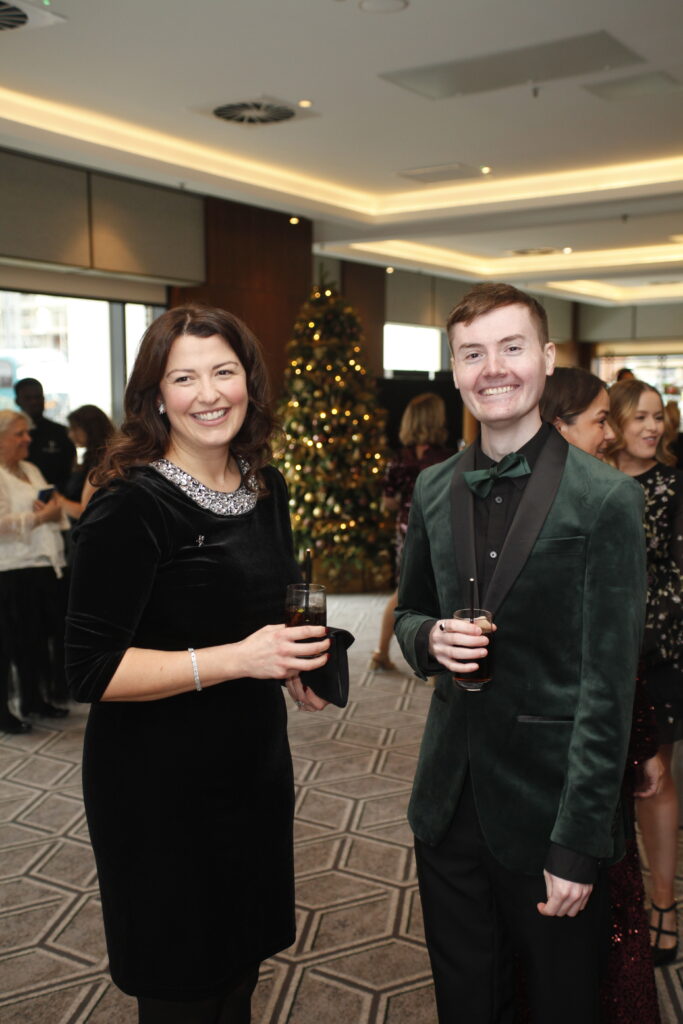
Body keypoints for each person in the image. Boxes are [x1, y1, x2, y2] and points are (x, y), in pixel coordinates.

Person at [65, 305, 331, 1024]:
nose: (208, 394)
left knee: (238, 972)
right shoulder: (130, 504)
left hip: (251, 768)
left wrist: (292, 659)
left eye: (223, 372)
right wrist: (239, 657)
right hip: (158, 787)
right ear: (156, 395)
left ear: (250, 382)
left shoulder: (263, 485)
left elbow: (270, 595)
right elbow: (89, 670)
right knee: (183, 987)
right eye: (184, 378)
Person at [394, 282, 647, 1024]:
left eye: (511, 347)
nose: (493, 368)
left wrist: (578, 844)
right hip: (447, 806)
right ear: (454, 369)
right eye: (472, 354)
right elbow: (408, 613)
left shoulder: (605, 499)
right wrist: (428, 639)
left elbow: (609, 690)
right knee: (467, 1005)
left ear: (545, 356)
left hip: (551, 811)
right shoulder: (433, 487)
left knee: (561, 1006)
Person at [541, 366, 662, 1024]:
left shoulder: (608, 494)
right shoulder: (597, 500)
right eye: (599, 421)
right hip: (570, 741)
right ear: (558, 427)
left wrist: (642, 741)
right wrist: (641, 744)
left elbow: (620, 652)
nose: (611, 433)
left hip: (599, 737)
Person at [606, 379, 683, 968]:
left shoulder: (675, 486)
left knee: (656, 779)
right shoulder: (590, 477)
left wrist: (637, 635)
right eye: (640, 417)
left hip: (658, 651)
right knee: (603, 778)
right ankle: (614, 899)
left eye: (659, 417)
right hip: (594, 650)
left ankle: (663, 903)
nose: (653, 427)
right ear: (614, 422)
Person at [371, 392, 452, 671]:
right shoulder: (447, 459)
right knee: (438, 591)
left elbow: (388, 501)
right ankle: (438, 663)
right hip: (439, 529)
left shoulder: (399, 459)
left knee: (403, 592)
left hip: (406, 529)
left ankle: (381, 652)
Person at [0, 410, 70, 733]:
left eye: (26, 433)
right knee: (9, 644)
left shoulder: (31, 468)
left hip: (43, 563)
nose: (28, 439)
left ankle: (34, 699)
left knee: (38, 639)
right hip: (11, 569)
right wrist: (41, 517)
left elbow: (55, 509)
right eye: (19, 434)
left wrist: (52, 510)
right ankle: (4, 712)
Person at [14, 378, 76, 491]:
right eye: (28, 398)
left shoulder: (61, 432)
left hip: (55, 495)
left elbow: (69, 471)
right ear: (17, 401)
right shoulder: (7, 433)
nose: (34, 402)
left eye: (38, 397)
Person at [59, 404, 115, 520]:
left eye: (75, 429)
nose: (70, 434)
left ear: (90, 429)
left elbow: (85, 511)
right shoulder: (96, 457)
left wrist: (58, 500)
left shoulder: (101, 460)